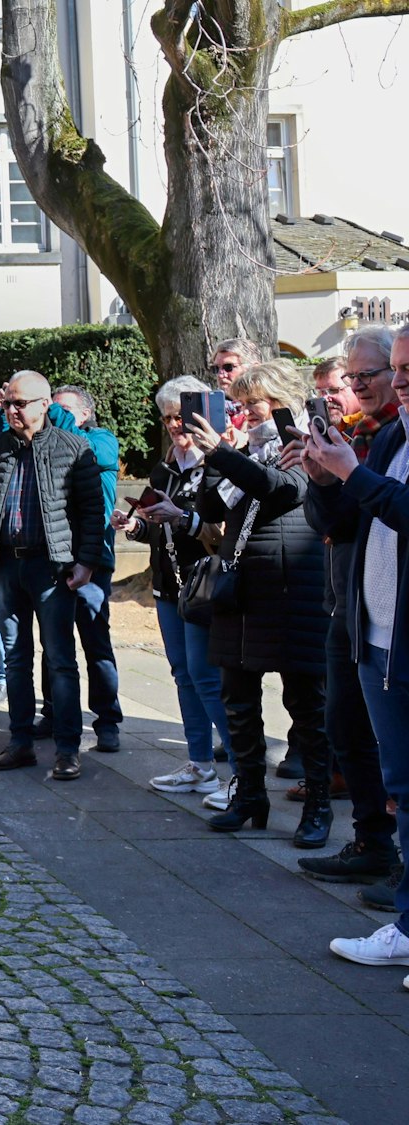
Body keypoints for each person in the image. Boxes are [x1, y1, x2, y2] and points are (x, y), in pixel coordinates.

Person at [181, 359, 328, 836]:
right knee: (237, 700)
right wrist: (213, 457)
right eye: (240, 404)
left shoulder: (302, 440)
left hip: (291, 587)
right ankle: (249, 796)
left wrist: (224, 453)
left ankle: (318, 807)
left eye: (253, 403)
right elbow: (210, 507)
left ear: (281, 399)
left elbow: (282, 489)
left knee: (306, 704)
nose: (244, 413)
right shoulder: (244, 447)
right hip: (240, 587)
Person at [306, 327, 409, 976]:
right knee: (401, 784)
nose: (397, 381)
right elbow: (342, 524)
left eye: (402, 368)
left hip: (399, 639)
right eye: (394, 368)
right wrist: (324, 480)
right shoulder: (394, 437)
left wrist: (352, 473)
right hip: (372, 632)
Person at [0, 370, 106, 781]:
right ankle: (20, 742)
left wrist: (86, 562)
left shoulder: (73, 447)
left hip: (52, 568)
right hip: (7, 566)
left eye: (20, 403)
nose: (12, 410)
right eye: (7, 403)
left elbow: (91, 511)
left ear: (44, 404)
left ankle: (67, 749)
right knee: (15, 659)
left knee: (60, 659)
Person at [120, 377, 234, 802]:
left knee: (206, 677)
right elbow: (156, 527)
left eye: (179, 417)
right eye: (167, 418)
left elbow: (223, 531)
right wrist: (136, 526)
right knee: (184, 675)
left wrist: (181, 519)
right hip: (170, 586)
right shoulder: (166, 467)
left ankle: (243, 774)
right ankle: (200, 764)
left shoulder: (219, 463)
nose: (173, 426)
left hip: (205, 585)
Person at [42, 385, 124, 752]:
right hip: (54, 557)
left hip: (93, 557)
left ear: (86, 414)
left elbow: (88, 452)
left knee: (95, 642)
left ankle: (107, 720)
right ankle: (54, 713)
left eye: (63, 409)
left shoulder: (101, 440)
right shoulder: (49, 443)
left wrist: (48, 409)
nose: (53, 414)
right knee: (52, 643)